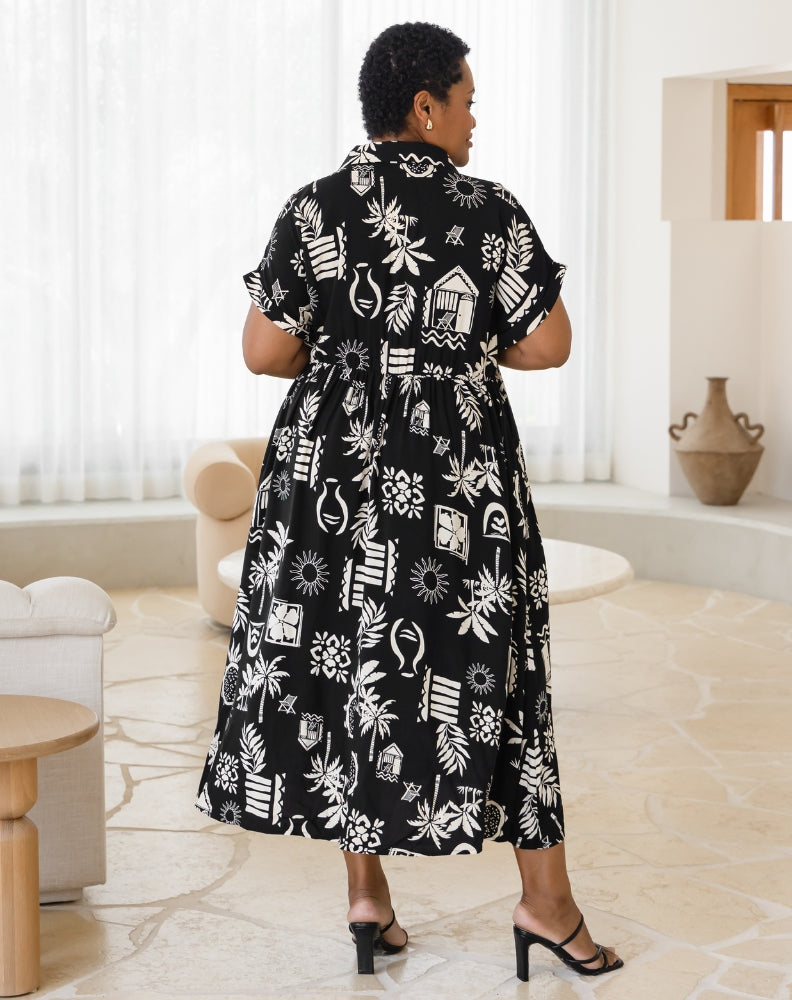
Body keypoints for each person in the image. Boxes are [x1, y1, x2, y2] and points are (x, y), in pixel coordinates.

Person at [196, 21, 622, 983]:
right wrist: (463, 348)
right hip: (452, 483)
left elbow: (265, 352)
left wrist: (350, 348)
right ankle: (546, 904)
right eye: (468, 101)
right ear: (424, 106)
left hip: (331, 479)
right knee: (495, 671)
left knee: (349, 665)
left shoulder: (314, 210)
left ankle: (367, 896)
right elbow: (549, 344)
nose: (476, 120)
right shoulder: (485, 210)